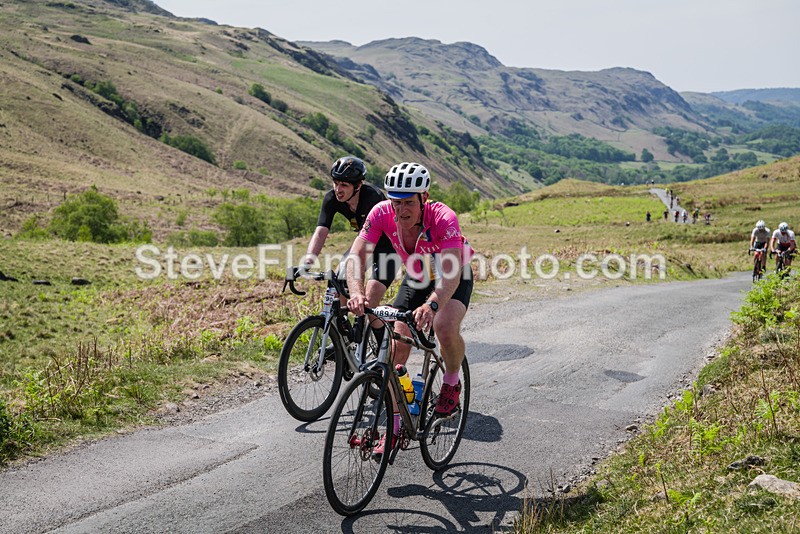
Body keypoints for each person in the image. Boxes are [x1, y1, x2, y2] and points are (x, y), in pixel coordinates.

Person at [345, 162, 474, 456]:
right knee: (395, 348)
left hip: (452, 273)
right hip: (417, 276)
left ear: (424, 198)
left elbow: (451, 273)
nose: (400, 210)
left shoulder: (443, 218)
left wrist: (432, 304)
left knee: (443, 325)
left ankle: (452, 381)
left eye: (408, 203)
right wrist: (356, 292)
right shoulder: (381, 214)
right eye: (396, 202)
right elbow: (357, 254)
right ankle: (396, 426)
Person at [304, 155, 399, 314]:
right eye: (335, 183)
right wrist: (307, 261)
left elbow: (364, 241)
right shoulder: (331, 198)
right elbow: (321, 230)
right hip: (363, 244)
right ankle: (342, 330)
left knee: (369, 304)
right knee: (338, 282)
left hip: (387, 249)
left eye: (344, 185)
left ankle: (381, 337)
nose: (338, 189)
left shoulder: (372, 197)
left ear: (358, 185)